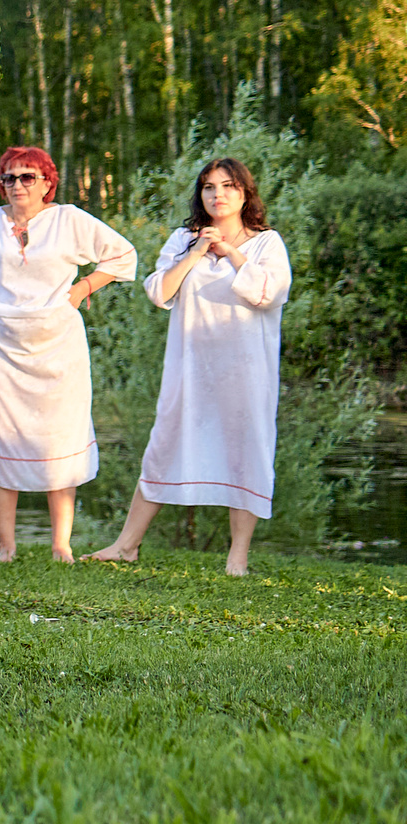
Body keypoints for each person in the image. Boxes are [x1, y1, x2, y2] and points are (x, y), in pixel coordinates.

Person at [0, 146, 136, 562]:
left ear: (47, 183)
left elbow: (122, 254)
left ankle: (61, 545)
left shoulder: (69, 220)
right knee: (1, 432)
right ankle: (6, 544)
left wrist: (83, 287)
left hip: (58, 343)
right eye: (10, 178)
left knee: (59, 434)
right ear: (0, 185)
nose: (18, 185)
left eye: (28, 177)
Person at [91, 158, 292, 576]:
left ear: (244, 193)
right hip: (191, 368)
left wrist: (232, 253)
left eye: (227, 186)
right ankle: (127, 545)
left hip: (246, 371)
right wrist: (198, 250)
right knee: (165, 444)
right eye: (208, 187)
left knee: (246, 450)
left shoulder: (266, 243)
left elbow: (270, 293)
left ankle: (237, 557)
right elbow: (159, 290)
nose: (217, 194)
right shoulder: (184, 239)